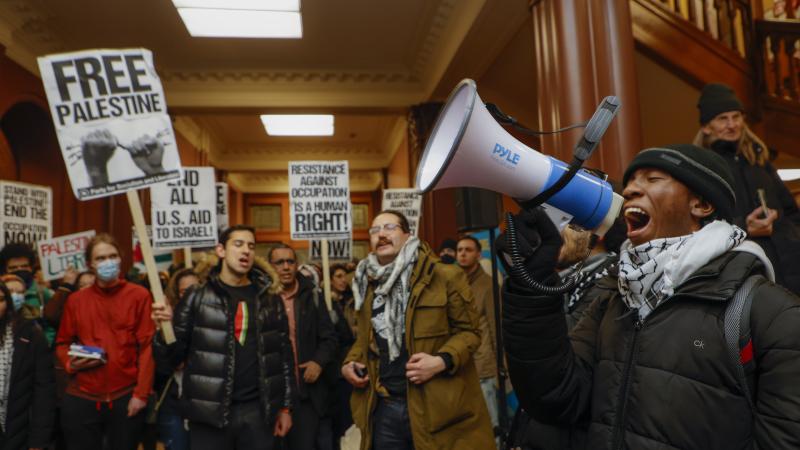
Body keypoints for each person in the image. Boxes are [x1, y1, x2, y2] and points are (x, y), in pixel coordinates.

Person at [500, 144, 800, 449]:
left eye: (652, 179)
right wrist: (531, 285)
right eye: (631, 181)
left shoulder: (770, 313)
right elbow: (558, 396)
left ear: (702, 204)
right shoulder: (612, 298)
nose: (630, 189)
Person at [342, 210, 494, 450]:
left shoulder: (444, 275)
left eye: (389, 227)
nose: (381, 234)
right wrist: (351, 362)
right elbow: (365, 339)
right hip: (384, 406)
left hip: (436, 406)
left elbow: (470, 333)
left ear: (408, 235)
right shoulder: (366, 282)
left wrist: (441, 360)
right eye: (375, 230)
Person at [151, 225, 293, 450]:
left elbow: (283, 355)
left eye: (251, 246)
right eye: (238, 244)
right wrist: (163, 331)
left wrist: (285, 407)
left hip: (258, 413)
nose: (246, 251)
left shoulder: (269, 298)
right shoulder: (197, 297)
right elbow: (169, 359)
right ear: (221, 250)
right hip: (209, 414)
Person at [694, 83, 800, 294]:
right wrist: (744, 227)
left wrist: (788, 231)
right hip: (748, 270)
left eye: (736, 117)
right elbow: (700, 227)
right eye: (723, 118)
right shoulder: (702, 169)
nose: (732, 125)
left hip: (792, 265)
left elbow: (791, 211)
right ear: (706, 127)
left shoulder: (759, 161)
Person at [54, 233, 156, 450]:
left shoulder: (139, 296)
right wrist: (70, 363)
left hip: (125, 394)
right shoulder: (76, 301)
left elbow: (147, 347)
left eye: (112, 256)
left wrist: (141, 394)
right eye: (100, 258)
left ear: (120, 259)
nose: (108, 262)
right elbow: (62, 342)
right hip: (82, 395)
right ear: (90, 264)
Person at [268, 244, 338, 450]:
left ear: (297, 264)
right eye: (279, 262)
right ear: (270, 266)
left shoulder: (312, 295)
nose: (286, 267)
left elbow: (330, 338)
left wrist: (318, 362)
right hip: (274, 396)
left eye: (290, 261)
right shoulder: (262, 298)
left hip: (306, 393)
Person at [0, 280, 55, 450]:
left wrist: (39, 440)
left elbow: (44, 390)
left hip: (17, 431)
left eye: (1, 299)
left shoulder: (30, 334)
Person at [455, 236, 500, 446]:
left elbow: (495, 326)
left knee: (490, 422)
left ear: (478, 255)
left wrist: (500, 364)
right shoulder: (454, 283)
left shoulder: (487, 285)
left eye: (468, 250)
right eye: (459, 250)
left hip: (483, 363)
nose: (462, 254)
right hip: (459, 363)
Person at [153, 268, 200, 450]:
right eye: (185, 291)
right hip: (174, 401)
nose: (191, 295)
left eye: (196, 289)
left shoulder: (215, 317)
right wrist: (163, 330)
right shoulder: (168, 319)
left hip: (205, 403)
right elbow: (164, 364)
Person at [0, 243, 55, 343]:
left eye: (24, 266)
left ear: (31, 268)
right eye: (13, 268)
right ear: (5, 270)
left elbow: (51, 325)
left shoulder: (42, 293)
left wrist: (44, 342)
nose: (19, 270)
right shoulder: (1, 293)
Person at [328, 264, 356, 449]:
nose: (343, 280)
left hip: (350, 358)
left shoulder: (352, 300)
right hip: (334, 364)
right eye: (338, 276)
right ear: (330, 280)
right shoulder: (326, 302)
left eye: (345, 276)